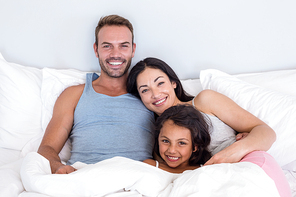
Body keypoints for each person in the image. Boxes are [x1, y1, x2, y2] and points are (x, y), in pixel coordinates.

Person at [127, 57, 292, 196]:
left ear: (173, 83)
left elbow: (266, 132)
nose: (155, 94)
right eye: (145, 90)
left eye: (160, 83)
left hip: (250, 164)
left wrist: (236, 150)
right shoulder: (159, 136)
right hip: (215, 179)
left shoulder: (204, 100)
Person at [37, 15, 155, 174]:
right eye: (107, 46)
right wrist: (58, 166)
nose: (115, 54)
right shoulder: (73, 95)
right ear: (96, 49)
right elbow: (47, 148)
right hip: (83, 178)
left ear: (133, 49)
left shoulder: (149, 94)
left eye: (123, 46)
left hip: (135, 180)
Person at [144, 104, 212, 173]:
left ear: (195, 145)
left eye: (181, 143)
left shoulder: (206, 171)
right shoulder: (149, 166)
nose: (172, 150)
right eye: (165, 141)